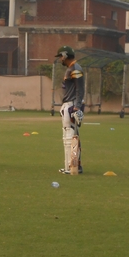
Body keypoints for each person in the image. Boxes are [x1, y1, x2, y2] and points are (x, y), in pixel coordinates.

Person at [55, 46, 84, 174]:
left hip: (71, 105)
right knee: (70, 135)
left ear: (65, 55)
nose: (60, 59)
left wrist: (77, 107)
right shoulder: (72, 68)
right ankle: (74, 166)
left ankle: (71, 167)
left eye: (61, 56)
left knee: (70, 136)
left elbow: (80, 89)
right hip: (69, 105)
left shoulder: (75, 68)